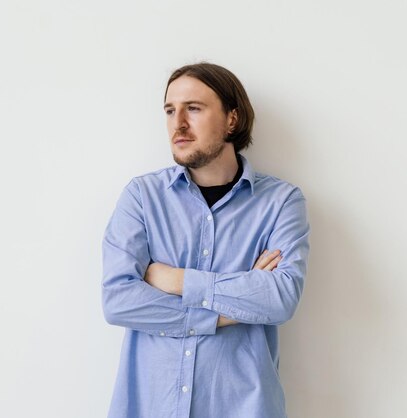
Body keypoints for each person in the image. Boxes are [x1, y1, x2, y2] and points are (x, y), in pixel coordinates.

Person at [101, 62, 310, 418]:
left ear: (232, 118)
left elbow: (280, 299)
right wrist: (227, 312)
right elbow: (118, 301)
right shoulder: (142, 197)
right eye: (170, 110)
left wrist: (177, 280)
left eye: (193, 109)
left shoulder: (281, 202)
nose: (177, 124)